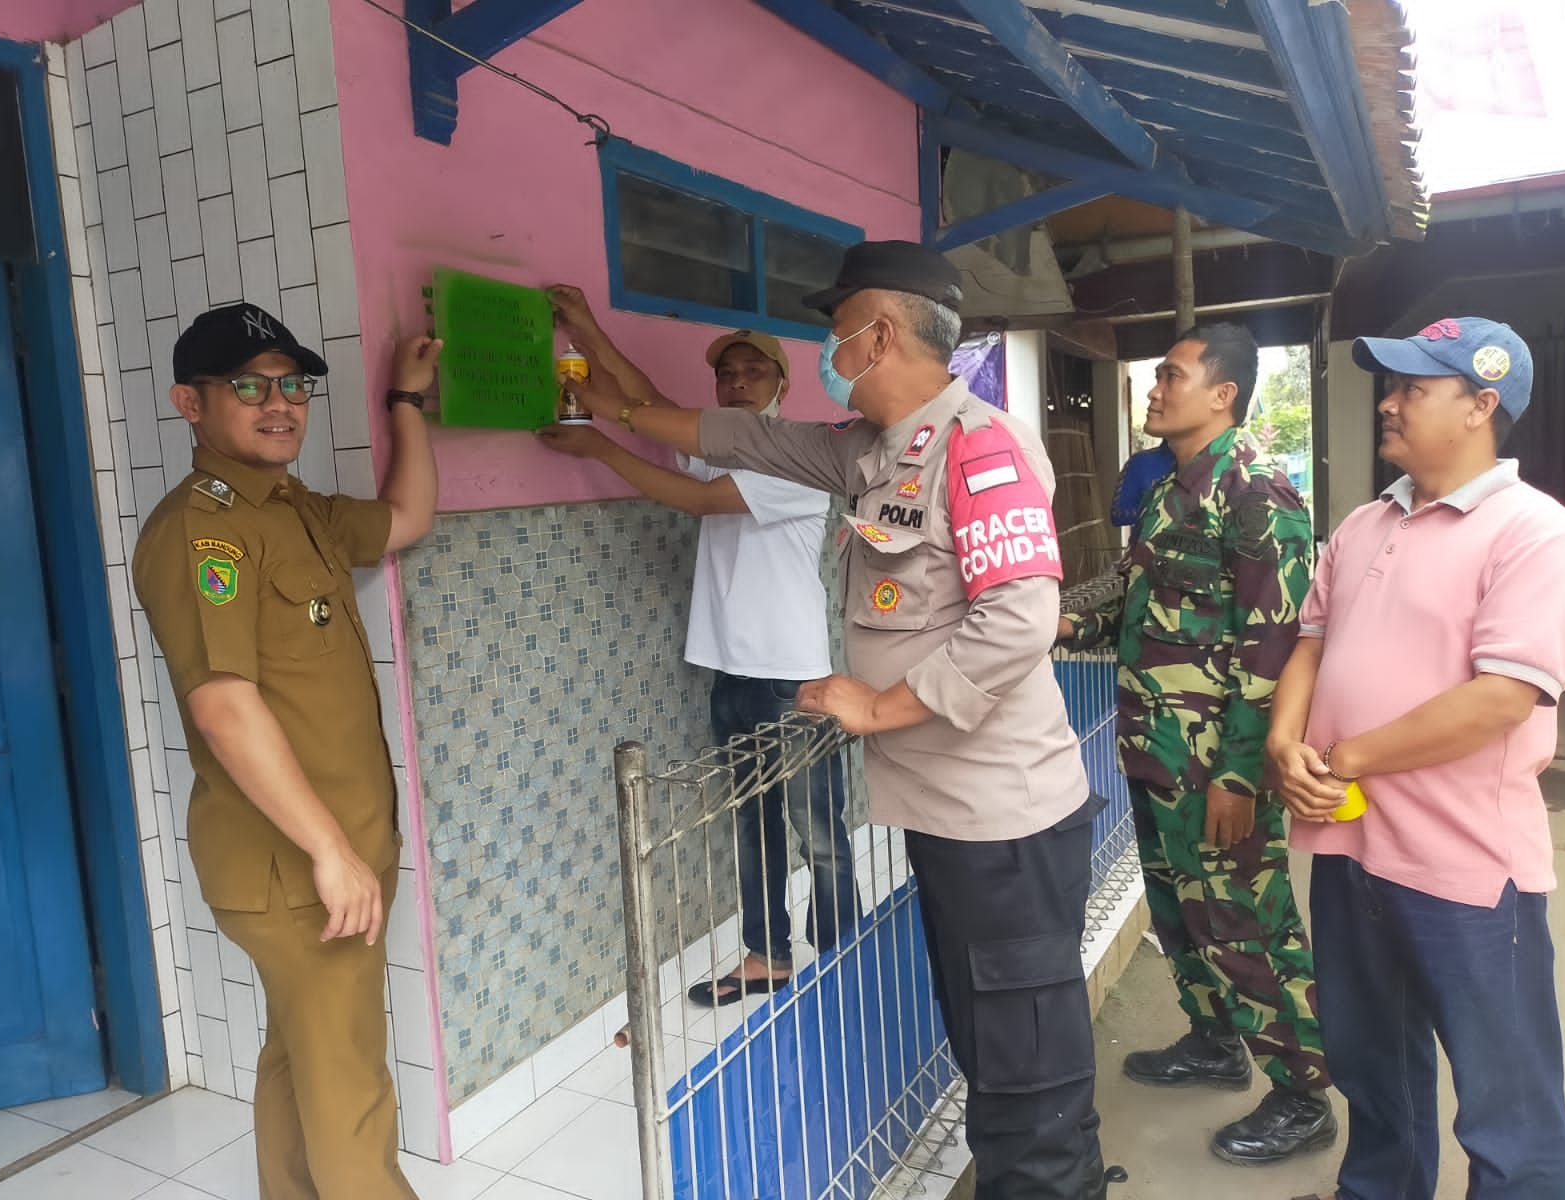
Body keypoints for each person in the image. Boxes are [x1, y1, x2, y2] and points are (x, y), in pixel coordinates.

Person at [556, 241, 1121, 1199]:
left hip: (1006, 824)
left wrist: (881, 705)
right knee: (997, 1053)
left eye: (836, 330)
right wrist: (602, 394)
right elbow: (727, 437)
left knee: (1028, 1074)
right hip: (950, 820)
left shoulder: (979, 444)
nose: (828, 348)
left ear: (880, 333)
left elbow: (1020, 618)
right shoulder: (867, 452)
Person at [132, 302, 439, 1199]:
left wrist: (404, 402)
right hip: (300, 869)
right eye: (249, 386)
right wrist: (331, 852)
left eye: (291, 384)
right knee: (350, 1090)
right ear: (191, 404)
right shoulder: (204, 529)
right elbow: (225, 706)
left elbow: (406, 519)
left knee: (299, 1055)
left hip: (325, 857)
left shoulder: (292, 508)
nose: (279, 403)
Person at [1267, 317, 1565, 1200]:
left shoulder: (1533, 532)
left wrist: (1345, 755)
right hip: (1350, 849)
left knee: (1505, 1105)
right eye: (1389, 386)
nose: (1388, 403)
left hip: (1465, 869)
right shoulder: (1365, 522)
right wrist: (1287, 743)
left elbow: (1503, 696)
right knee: (1374, 1070)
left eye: (1413, 388)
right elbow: (1311, 645)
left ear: (1482, 405)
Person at [1058, 324, 1334, 1166]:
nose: (1153, 389)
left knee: (1247, 922)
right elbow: (1136, 593)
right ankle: (1215, 1041)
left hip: (1218, 767)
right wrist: (1064, 616)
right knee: (1182, 916)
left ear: (1223, 394)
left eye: (1171, 376)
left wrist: (1241, 776)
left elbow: (1275, 649)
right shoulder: (1170, 489)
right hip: (1156, 752)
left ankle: (1302, 1091)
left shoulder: (1258, 496)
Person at [538, 288, 861, 1003]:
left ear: (783, 385)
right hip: (731, 674)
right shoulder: (718, 449)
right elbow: (648, 399)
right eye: (727, 374)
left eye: (753, 372)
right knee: (752, 824)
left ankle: (845, 958)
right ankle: (766, 955)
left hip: (794, 679)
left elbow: (697, 503)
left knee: (818, 829)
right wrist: (585, 327)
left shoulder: (798, 461)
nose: (737, 382)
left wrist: (596, 442)